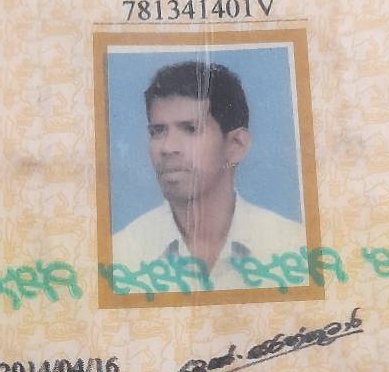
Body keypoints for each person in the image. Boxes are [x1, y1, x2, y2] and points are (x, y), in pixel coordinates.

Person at [111, 61, 306, 291]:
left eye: (190, 129)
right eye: (158, 131)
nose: (167, 147)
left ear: (236, 145)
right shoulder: (121, 255)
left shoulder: (295, 248)